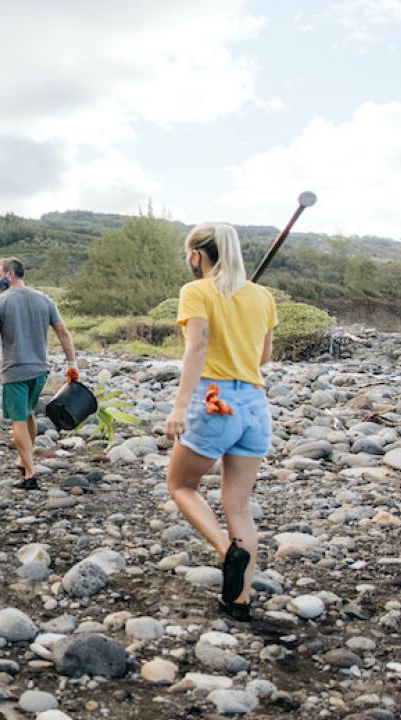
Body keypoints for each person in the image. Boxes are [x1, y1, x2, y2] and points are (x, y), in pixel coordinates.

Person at [164, 223, 278, 621]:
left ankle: (226, 551)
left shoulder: (195, 291)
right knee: (239, 506)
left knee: (181, 484)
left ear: (197, 254)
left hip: (214, 401)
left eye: (188, 254)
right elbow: (263, 359)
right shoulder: (262, 296)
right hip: (254, 404)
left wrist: (179, 407)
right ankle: (239, 601)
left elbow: (197, 347)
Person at [0, 257, 77, 490]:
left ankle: (30, 474)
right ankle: (23, 458)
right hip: (39, 370)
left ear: (10, 274)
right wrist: (72, 363)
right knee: (28, 414)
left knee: (18, 420)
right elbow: (63, 332)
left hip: (15, 370)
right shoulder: (44, 299)